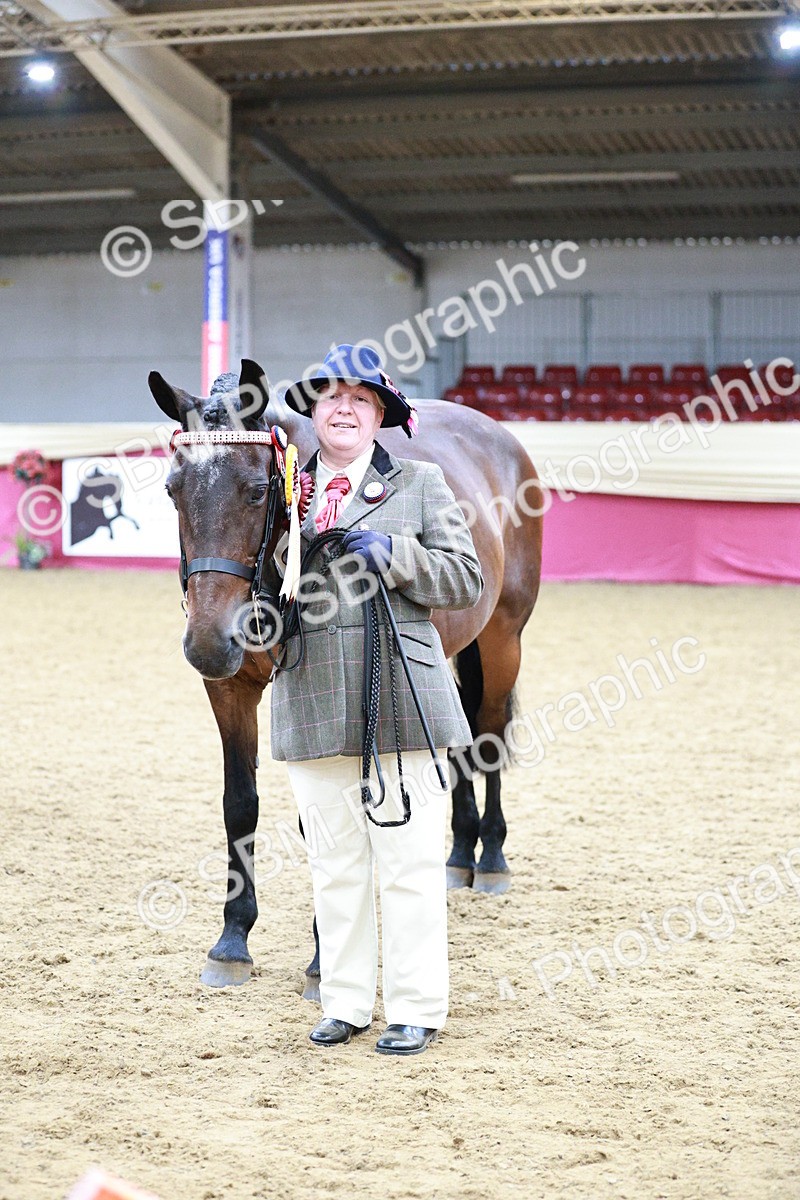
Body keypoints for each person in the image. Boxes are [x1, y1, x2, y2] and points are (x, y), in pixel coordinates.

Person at [273, 344, 483, 1056]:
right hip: (310, 691)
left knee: (410, 863)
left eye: (359, 399)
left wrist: (393, 556)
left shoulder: (420, 483)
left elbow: (464, 580)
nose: (343, 408)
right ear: (314, 410)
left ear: (379, 416)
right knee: (334, 867)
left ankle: (417, 1007)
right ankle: (346, 1001)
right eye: (331, 396)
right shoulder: (281, 492)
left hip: (400, 690)